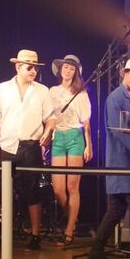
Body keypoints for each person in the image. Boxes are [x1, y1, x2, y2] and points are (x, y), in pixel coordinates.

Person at [0, 50, 55, 254]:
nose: (33, 71)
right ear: (18, 67)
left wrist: (48, 131)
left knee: (32, 192)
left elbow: (51, 118)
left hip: (30, 147)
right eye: (29, 67)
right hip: (7, 147)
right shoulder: (3, 88)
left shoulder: (42, 91)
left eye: (35, 68)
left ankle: (35, 236)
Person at [88, 57, 130, 259]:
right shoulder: (115, 98)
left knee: (117, 208)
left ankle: (97, 249)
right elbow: (119, 133)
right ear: (125, 73)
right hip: (121, 160)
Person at [48, 54, 93, 248]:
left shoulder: (81, 93)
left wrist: (89, 145)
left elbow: (86, 121)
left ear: (76, 72)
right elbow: (48, 117)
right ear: (60, 69)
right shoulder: (52, 91)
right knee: (58, 189)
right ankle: (72, 221)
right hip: (58, 137)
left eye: (72, 68)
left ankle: (68, 232)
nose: (68, 71)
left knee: (72, 187)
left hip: (75, 136)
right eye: (66, 67)